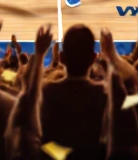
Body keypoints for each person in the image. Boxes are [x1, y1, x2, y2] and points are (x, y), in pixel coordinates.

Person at [40, 24, 108, 158]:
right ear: (94, 58)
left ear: (62, 57)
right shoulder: (106, 94)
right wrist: (110, 55)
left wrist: (38, 56)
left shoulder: (45, 93)